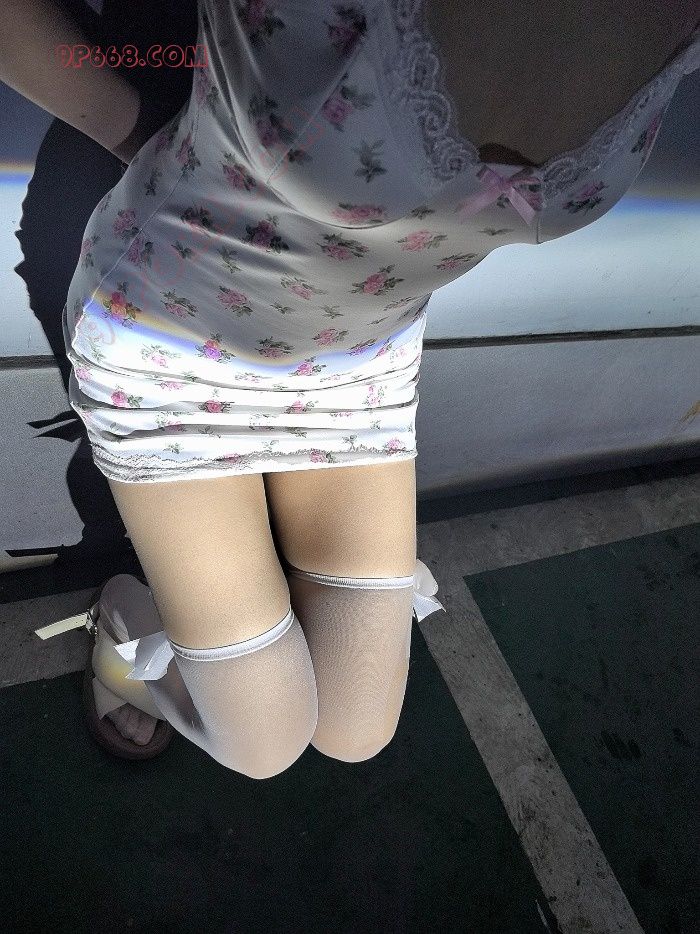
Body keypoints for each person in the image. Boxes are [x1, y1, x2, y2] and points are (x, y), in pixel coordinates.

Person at [5, 1, 700, 775]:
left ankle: (208, 609)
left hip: (360, 363)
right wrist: (136, 129)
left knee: (355, 729)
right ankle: (123, 625)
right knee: (262, 745)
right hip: (175, 342)